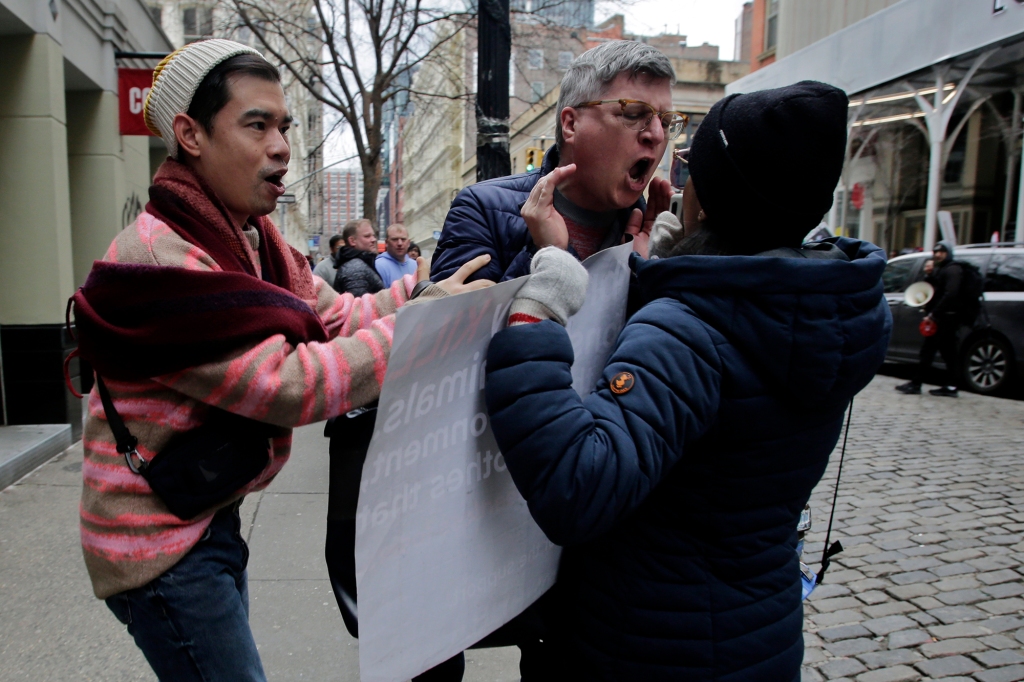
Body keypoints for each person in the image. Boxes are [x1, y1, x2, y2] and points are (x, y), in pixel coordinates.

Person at [69, 39, 490, 682]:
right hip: (157, 545)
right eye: (256, 124)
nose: (281, 146)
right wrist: (420, 327)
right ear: (190, 135)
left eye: (285, 126)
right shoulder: (163, 260)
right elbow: (289, 384)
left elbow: (335, 319)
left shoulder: (253, 237)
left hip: (205, 512)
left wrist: (426, 293)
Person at [483, 81, 890, 681]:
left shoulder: (692, 328)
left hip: (646, 646)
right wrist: (678, 270)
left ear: (715, 192)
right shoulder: (830, 307)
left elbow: (578, 485)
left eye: (695, 164)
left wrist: (538, 309)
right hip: (758, 635)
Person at [430, 40, 681, 284]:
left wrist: (646, 277)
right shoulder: (482, 211)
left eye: (667, 123)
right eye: (634, 115)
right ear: (571, 124)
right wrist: (547, 255)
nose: (657, 135)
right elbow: (461, 324)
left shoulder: (659, 236)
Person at [895, 241, 977, 397]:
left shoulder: (953, 270)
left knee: (930, 351)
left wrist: (934, 314)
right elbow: (935, 291)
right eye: (936, 251)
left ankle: (917, 383)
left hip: (945, 318)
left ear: (948, 253)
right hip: (945, 317)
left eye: (942, 251)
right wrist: (929, 276)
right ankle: (950, 385)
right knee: (947, 353)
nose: (938, 254)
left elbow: (950, 294)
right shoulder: (944, 270)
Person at [332, 219, 385, 296]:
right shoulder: (354, 268)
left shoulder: (359, 263)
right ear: (352, 241)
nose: (373, 239)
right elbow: (359, 305)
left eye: (373, 235)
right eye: (367, 236)